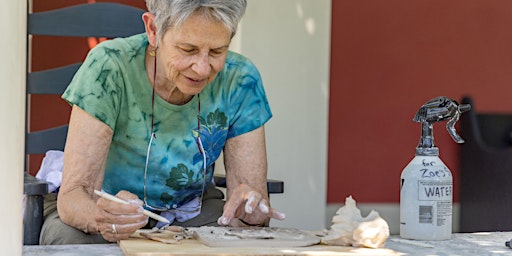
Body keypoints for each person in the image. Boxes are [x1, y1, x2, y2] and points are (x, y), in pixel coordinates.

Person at [39, 0, 285, 245]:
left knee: (245, 244)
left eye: (217, 51)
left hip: (193, 211)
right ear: (153, 30)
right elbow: (73, 197)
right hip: (104, 208)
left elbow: (250, 200)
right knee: (69, 241)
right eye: (188, 49)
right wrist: (103, 216)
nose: (201, 68)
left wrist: (250, 212)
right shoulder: (109, 67)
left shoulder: (240, 79)